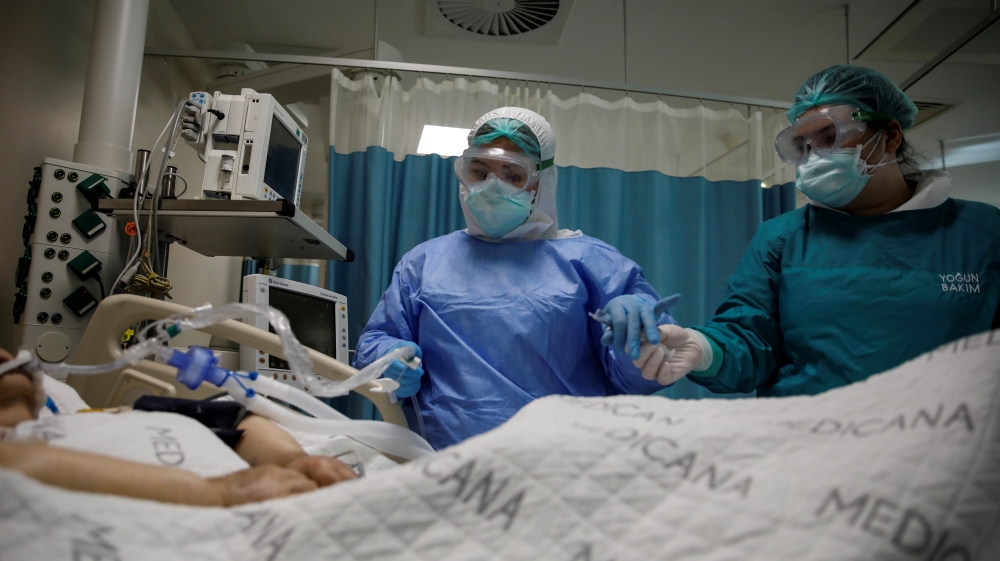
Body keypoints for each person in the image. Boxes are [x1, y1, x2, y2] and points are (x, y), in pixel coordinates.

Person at [633, 65, 1000, 396]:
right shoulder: (781, 238)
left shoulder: (983, 233)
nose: (815, 156)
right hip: (812, 438)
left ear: (890, 136)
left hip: (948, 437)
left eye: (830, 136)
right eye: (803, 145)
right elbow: (749, 338)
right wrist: (704, 349)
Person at [355, 107, 675, 449]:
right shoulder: (423, 263)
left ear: (541, 180)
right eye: (480, 172)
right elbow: (377, 339)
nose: (492, 187)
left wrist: (638, 345)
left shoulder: (594, 264)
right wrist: (389, 358)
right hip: (442, 462)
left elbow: (647, 375)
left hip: (561, 461)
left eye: (513, 174)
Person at [0, 346, 357, 506]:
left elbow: (236, 419)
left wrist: (292, 460)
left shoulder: (91, 419)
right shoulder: (17, 451)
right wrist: (221, 494)